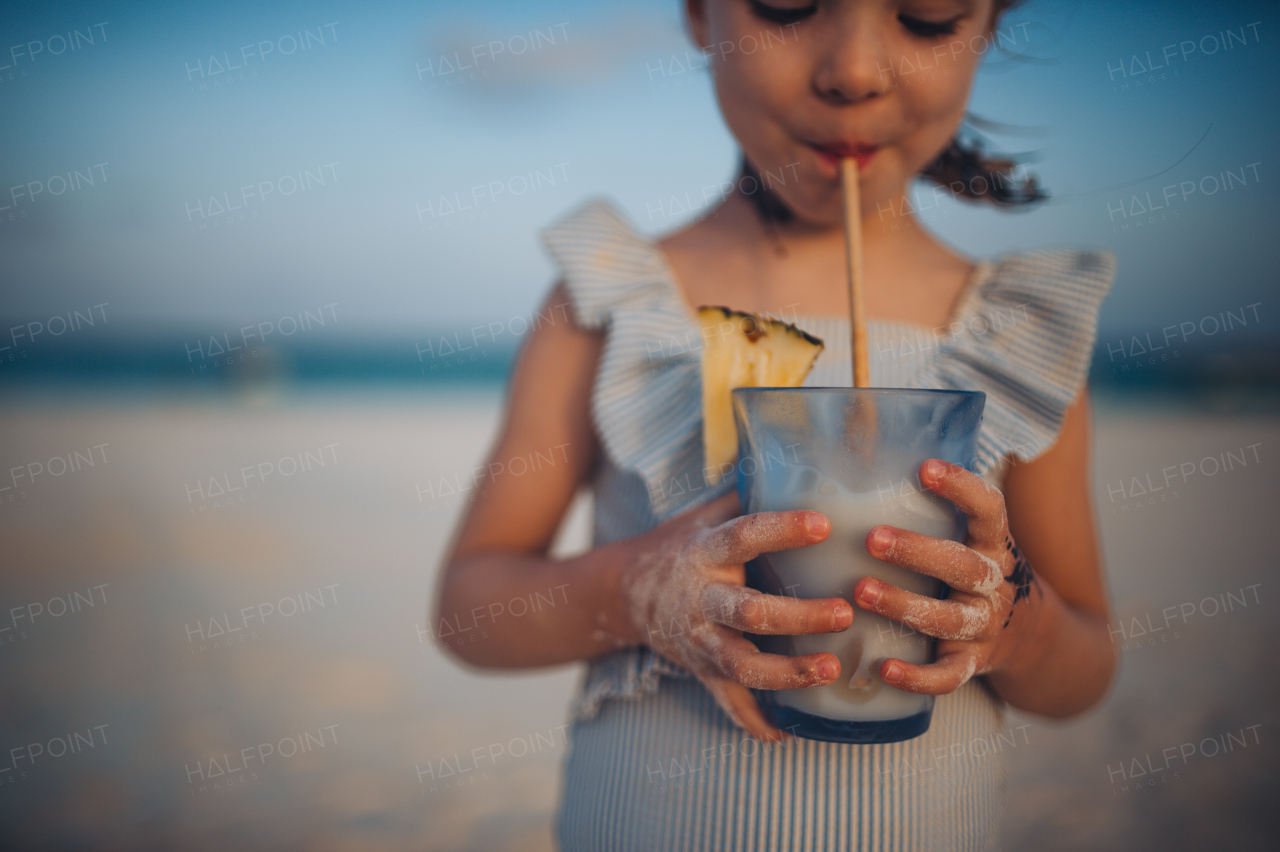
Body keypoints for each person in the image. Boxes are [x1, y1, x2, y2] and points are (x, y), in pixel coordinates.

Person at [436, 0, 1116, 848]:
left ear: (986, 29)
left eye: (929, 17)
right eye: (790, 5)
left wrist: (1018, 623)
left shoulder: (1017, 333)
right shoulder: (611, 302)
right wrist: (634, 593)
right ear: (696, 12)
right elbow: (470, 606)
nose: (856, 72)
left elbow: (1085, 669)